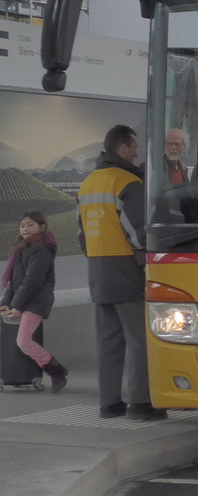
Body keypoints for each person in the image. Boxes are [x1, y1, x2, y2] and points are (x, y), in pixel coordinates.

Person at [77, 124, 166, 421]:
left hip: (98, 269)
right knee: (140, 339)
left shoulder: (88, 183)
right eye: (134, 146)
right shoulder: (127, 182)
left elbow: (82, 234)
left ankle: (109, 404)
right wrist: (148, 263)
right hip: (126, 268)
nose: (137, 152)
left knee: (108, 340)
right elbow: (137, 230)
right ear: (123, 149)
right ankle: (140, 403)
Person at [0, 211, 68, 392]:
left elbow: (32, 281)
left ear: (41, 227)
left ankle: (57, 371)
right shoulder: (21, 249)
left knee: (23, 340)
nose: (25, 229)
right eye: (22, 225)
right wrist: (6, 302)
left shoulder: (41, 249)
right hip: (25, 299)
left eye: (30, 225)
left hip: (36, 300)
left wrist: (17, 306)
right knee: (22, 340)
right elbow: (15, 281)